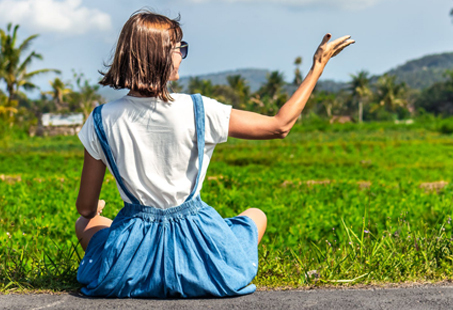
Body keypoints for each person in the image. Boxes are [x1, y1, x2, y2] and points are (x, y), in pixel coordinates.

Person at [73, 10, 354, 298]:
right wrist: (317, 67)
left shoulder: (101, 119)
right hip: (200, 255)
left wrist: (96, 212)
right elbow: (279, 126)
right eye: (178, 48)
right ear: (159, 55)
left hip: (130, 266)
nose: (181, 55)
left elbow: (85, 207)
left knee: (88, 223)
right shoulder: (199, 110)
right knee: (256, 215)